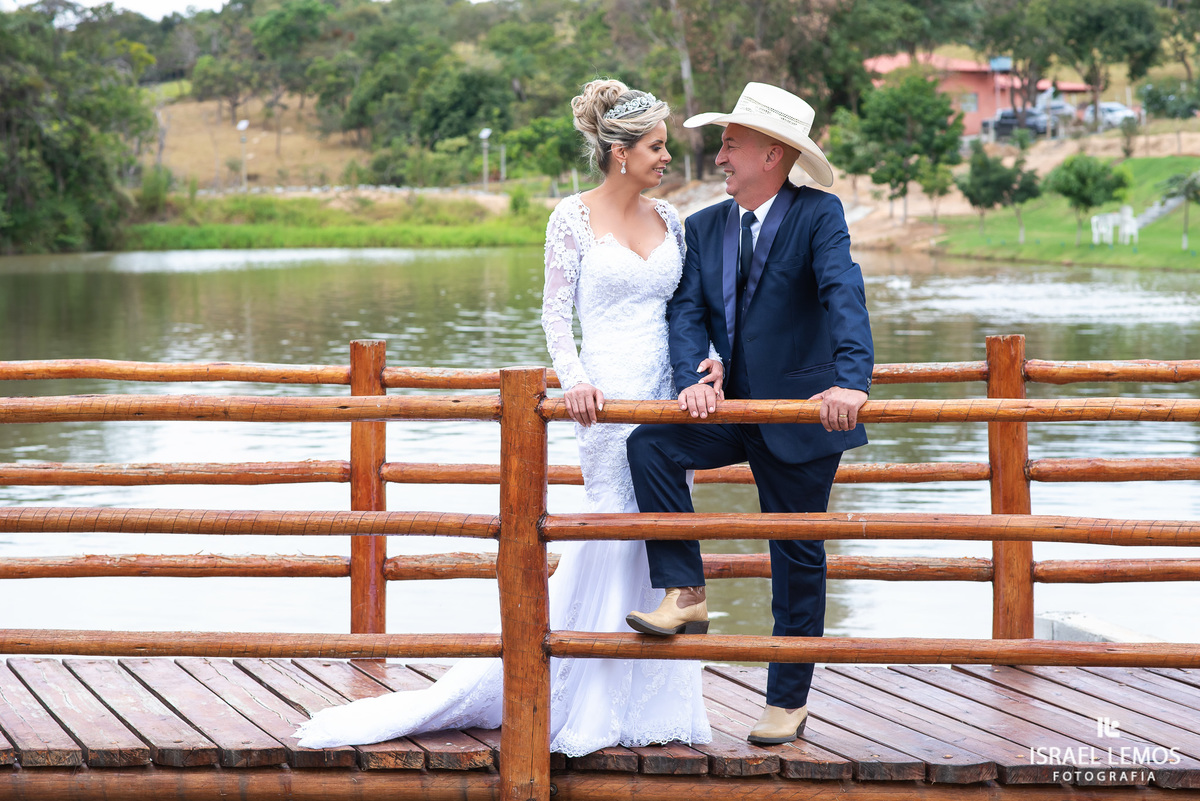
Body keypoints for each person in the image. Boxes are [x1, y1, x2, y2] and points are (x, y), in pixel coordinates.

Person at [295, 79, 713, 755]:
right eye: (658, 147)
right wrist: (573, 381)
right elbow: (555, 313)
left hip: (663, 395)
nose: (668, 157)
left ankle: (655, 704)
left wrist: (707, 365)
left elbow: (688, 313)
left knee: (660, 530)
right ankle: (585, 695)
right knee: (611, 526)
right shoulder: (570, 218)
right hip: (603, 399)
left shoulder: (673, 223)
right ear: (619, 152)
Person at [625, 82, 874, 746]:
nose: (720, 157)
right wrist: (693, 378)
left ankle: (786, 701)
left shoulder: (820, 215)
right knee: (651, 445)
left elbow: (842, 290)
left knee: (796, 557)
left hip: (801, 414)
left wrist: (851, 381)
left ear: (771, 153)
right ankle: (685, 588)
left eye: (732, 145)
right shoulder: (704, 226)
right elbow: (685, 312)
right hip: (732, 406)